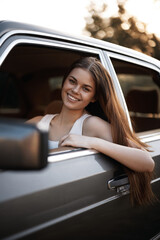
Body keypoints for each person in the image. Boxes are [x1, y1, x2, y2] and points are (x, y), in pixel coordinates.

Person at [27, 57, 155, 206]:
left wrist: (92, 142)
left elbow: (146, 162)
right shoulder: (38, 122)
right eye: (72, 81)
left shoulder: (91, 125)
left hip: (66, 202)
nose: (75, 90)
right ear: (64, 81)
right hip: (35, 195)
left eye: (86, 88)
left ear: (93, 97)